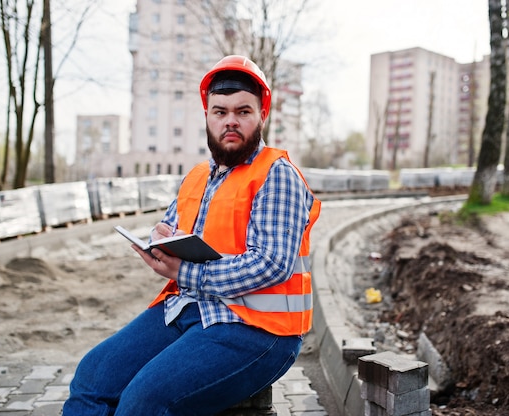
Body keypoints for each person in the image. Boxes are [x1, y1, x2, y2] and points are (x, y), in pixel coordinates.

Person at [62, 55, 321, 416]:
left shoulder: (277, 175)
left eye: (243, 111)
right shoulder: (199, 176)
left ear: (262, 114)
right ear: (207, 115)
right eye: (220, 112)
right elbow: (173, 225)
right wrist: (161, 237)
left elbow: (270, 265)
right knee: (92, 378)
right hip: (191, 307)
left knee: (143, 401)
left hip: (260, 330)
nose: (230, 121)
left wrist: (184, 273)